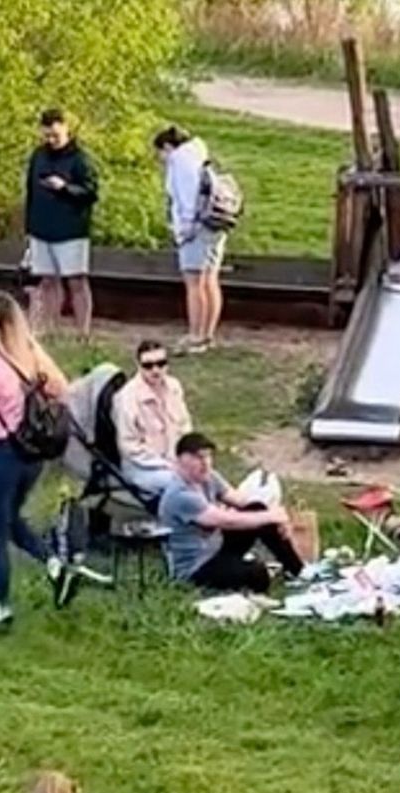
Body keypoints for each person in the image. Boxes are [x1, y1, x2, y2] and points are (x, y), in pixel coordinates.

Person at [0, 292, 74, 631]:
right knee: (11, 518)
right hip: (31, 454)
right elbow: (61, 388)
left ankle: (1, 607)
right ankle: (53, 562)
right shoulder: (30, 356)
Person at [157, 432, 307, 593]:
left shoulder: (208, 477)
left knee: (258, 508)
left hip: (217, 548)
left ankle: (298, 570)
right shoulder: (180, 495)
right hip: (197, 566)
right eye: (198, 458)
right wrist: (271, 516)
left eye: (208, 457)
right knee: (257, 573)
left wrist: (276, 518)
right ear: (180, 460)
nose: (205, 463)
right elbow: (225, 521)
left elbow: (241, 500)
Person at [23, 108, 99, 340]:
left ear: (66, 128)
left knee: (76, 281)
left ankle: (83, 332)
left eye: (55, 135)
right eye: (47, 136)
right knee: (47, 281)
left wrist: (65, 188)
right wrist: (29, 226)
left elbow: (91, 192)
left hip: (70, 230)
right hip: (41, 229)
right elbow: (30, 191)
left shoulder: (80, 159)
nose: (51, 140)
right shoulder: (38, 156)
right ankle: (50, 329)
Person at [153, 126, 225, 354]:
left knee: (194, 283)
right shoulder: (198, 155)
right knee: (210, 279)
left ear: (167, 147)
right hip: (214, 224)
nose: (160, 159)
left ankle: (196, 335)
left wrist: (183, 230)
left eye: (160, 153)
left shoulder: (180, 161)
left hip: (196, 228)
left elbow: (187, 198)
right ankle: (207, 333)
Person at [112, 339, 193, 501]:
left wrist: (187, 457)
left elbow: (185, 425)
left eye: (161, 364)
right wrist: (168, 466)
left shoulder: (174, 387)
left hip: (175, 460)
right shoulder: (127, 398)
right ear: (138, 365)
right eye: (148, 366)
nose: (155, 370)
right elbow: (129, 447)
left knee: (208, 476)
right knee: (182, 484)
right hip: (142, 468)